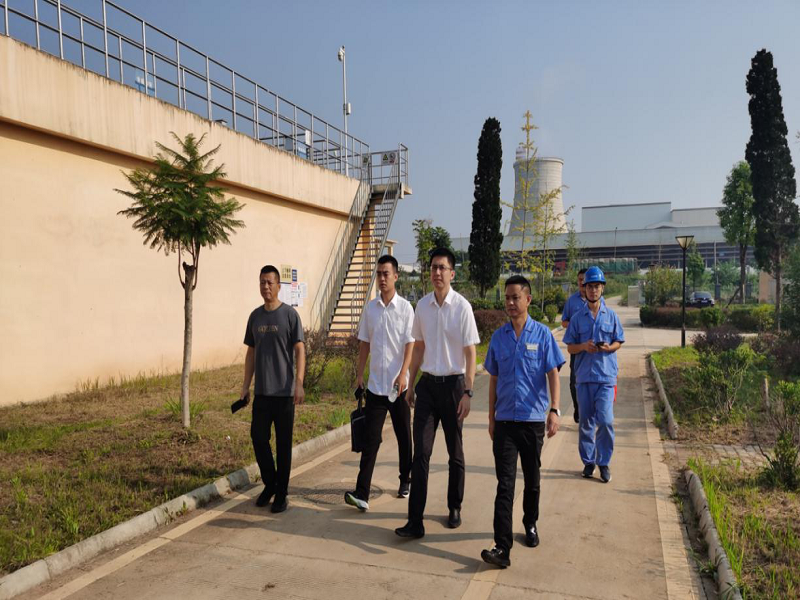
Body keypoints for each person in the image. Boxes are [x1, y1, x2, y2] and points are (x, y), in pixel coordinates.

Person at [480, 275, 565, 569]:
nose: (510, 303)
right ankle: (502, 547)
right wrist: (491, 418)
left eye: (515, 297)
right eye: (507, 298)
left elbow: (553, 374)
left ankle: (530, 522)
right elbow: (493, 379)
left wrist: (555, 410)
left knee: (532, 480)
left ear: (528, 299)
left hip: (532, 422)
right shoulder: (499, 338)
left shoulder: (542, 335)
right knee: (505, 484)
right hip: (505, 422)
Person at [395, 247, 480, 539]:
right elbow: (418, 347)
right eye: (433, 267)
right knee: (421, 453)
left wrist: (468, 391)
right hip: (428, 387)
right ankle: (415, 521)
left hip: (455, 387)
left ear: (452, 273)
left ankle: (454, 506)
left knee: (455, 452)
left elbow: (471, 353)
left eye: (442, 268)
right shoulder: (422, 306)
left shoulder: (462, 307)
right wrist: (410, 382)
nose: (437, 272)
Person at [344, 255, 415, 511]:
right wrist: (359, 374)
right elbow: (365, 343)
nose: (382, 278)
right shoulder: (371, 309)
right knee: (370, 440)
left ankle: (405, 479)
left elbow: (410, 344)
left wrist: (404, 373)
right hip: (375, 386)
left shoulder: (405, 309)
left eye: (386, 273)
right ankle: (362, 492)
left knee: (404, 436)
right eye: (379, 274)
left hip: (398, 387)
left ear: (396, 276)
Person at [240, 265, 305, 513]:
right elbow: (251, 352)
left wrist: (299, 383)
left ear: (278, 285)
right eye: (262, 282)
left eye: (269, 282)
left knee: (283, 445)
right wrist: (245, 386)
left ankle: (282, 493)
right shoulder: (255, 317)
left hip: (285, 393)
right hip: (262, 393)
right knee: (258, 438)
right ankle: (270, 484)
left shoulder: (289, 315)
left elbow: (300, 349)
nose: (265, 287)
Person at [563, 266, 624, 484]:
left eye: (597, 286)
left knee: (606, 421)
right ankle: (588, 462)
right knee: (586, 423)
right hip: (584, 378)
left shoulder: (612, 316)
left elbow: (619, 340)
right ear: (584, 288)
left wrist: (610, 348)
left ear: (602, 288)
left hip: (606, 377)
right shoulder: (577, 318)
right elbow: (570, 347)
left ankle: (604, 462)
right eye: (589, 286)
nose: (593, 290)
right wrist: (583, 346)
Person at [561, 268, 588, 423]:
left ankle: (587, 411)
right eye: (579, 279)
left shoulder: (598, 300)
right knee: (574, 382)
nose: (582, 282)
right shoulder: (572, 301)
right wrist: (575, 324)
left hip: (592, 350)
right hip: (576, 349)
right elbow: (563, 322)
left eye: (584, 279)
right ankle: (578, 408)